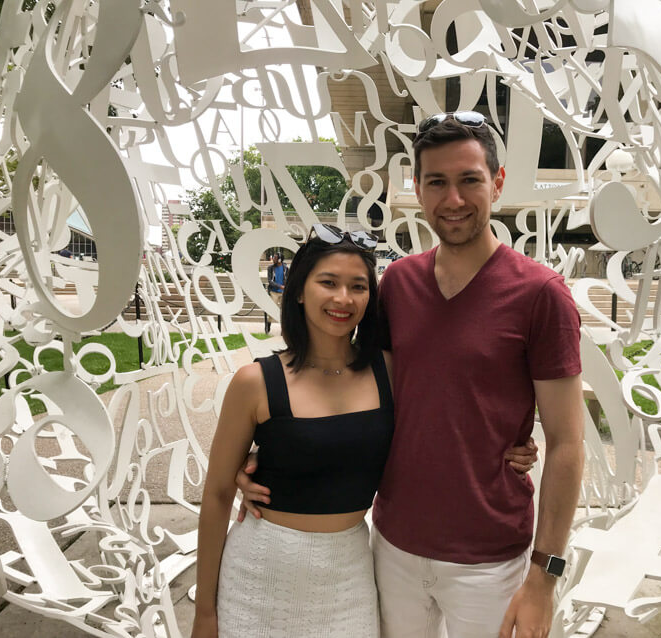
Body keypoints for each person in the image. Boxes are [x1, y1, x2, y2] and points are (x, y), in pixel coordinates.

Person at [239, 112, 583, 638]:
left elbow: (566, 443)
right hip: (393, 543)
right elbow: (360, 391)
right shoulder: (397, 284)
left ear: (497, 181)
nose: (454, 199)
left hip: (488, 556)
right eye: (437, 182)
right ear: (418, 190)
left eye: (469, 179)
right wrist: (279, 456)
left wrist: (544, 576)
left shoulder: (540, 295)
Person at [193, 223, 537, 638]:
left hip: (350, 578)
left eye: (358, 286)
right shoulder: (255, 382)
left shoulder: (388, 372)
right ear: (299, 290)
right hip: (262, 573)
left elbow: (448, 417)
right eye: (328, 282)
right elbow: (215, 496)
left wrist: (512, 446)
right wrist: (205, 613)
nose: (343, 298)